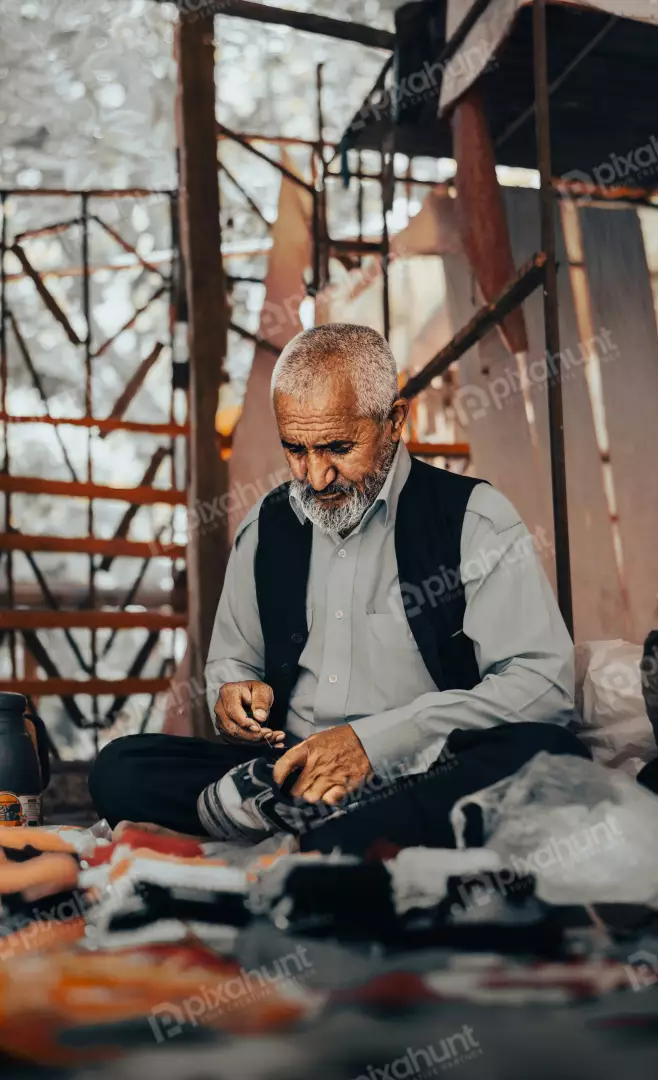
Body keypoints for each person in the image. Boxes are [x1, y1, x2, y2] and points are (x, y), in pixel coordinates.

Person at [90, 324, 583, 850]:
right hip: (289, 768)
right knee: (120, 768)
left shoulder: (474, 519)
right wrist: (232, 694)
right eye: (296, 450)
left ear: (394, 420)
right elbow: (233, 662)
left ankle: (312, 817)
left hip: (421, 764)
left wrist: (371, 745)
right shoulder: (266, 527)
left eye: (337, 447)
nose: (316, 476)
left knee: (547, 751)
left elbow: (542, 687)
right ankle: (330, 821)